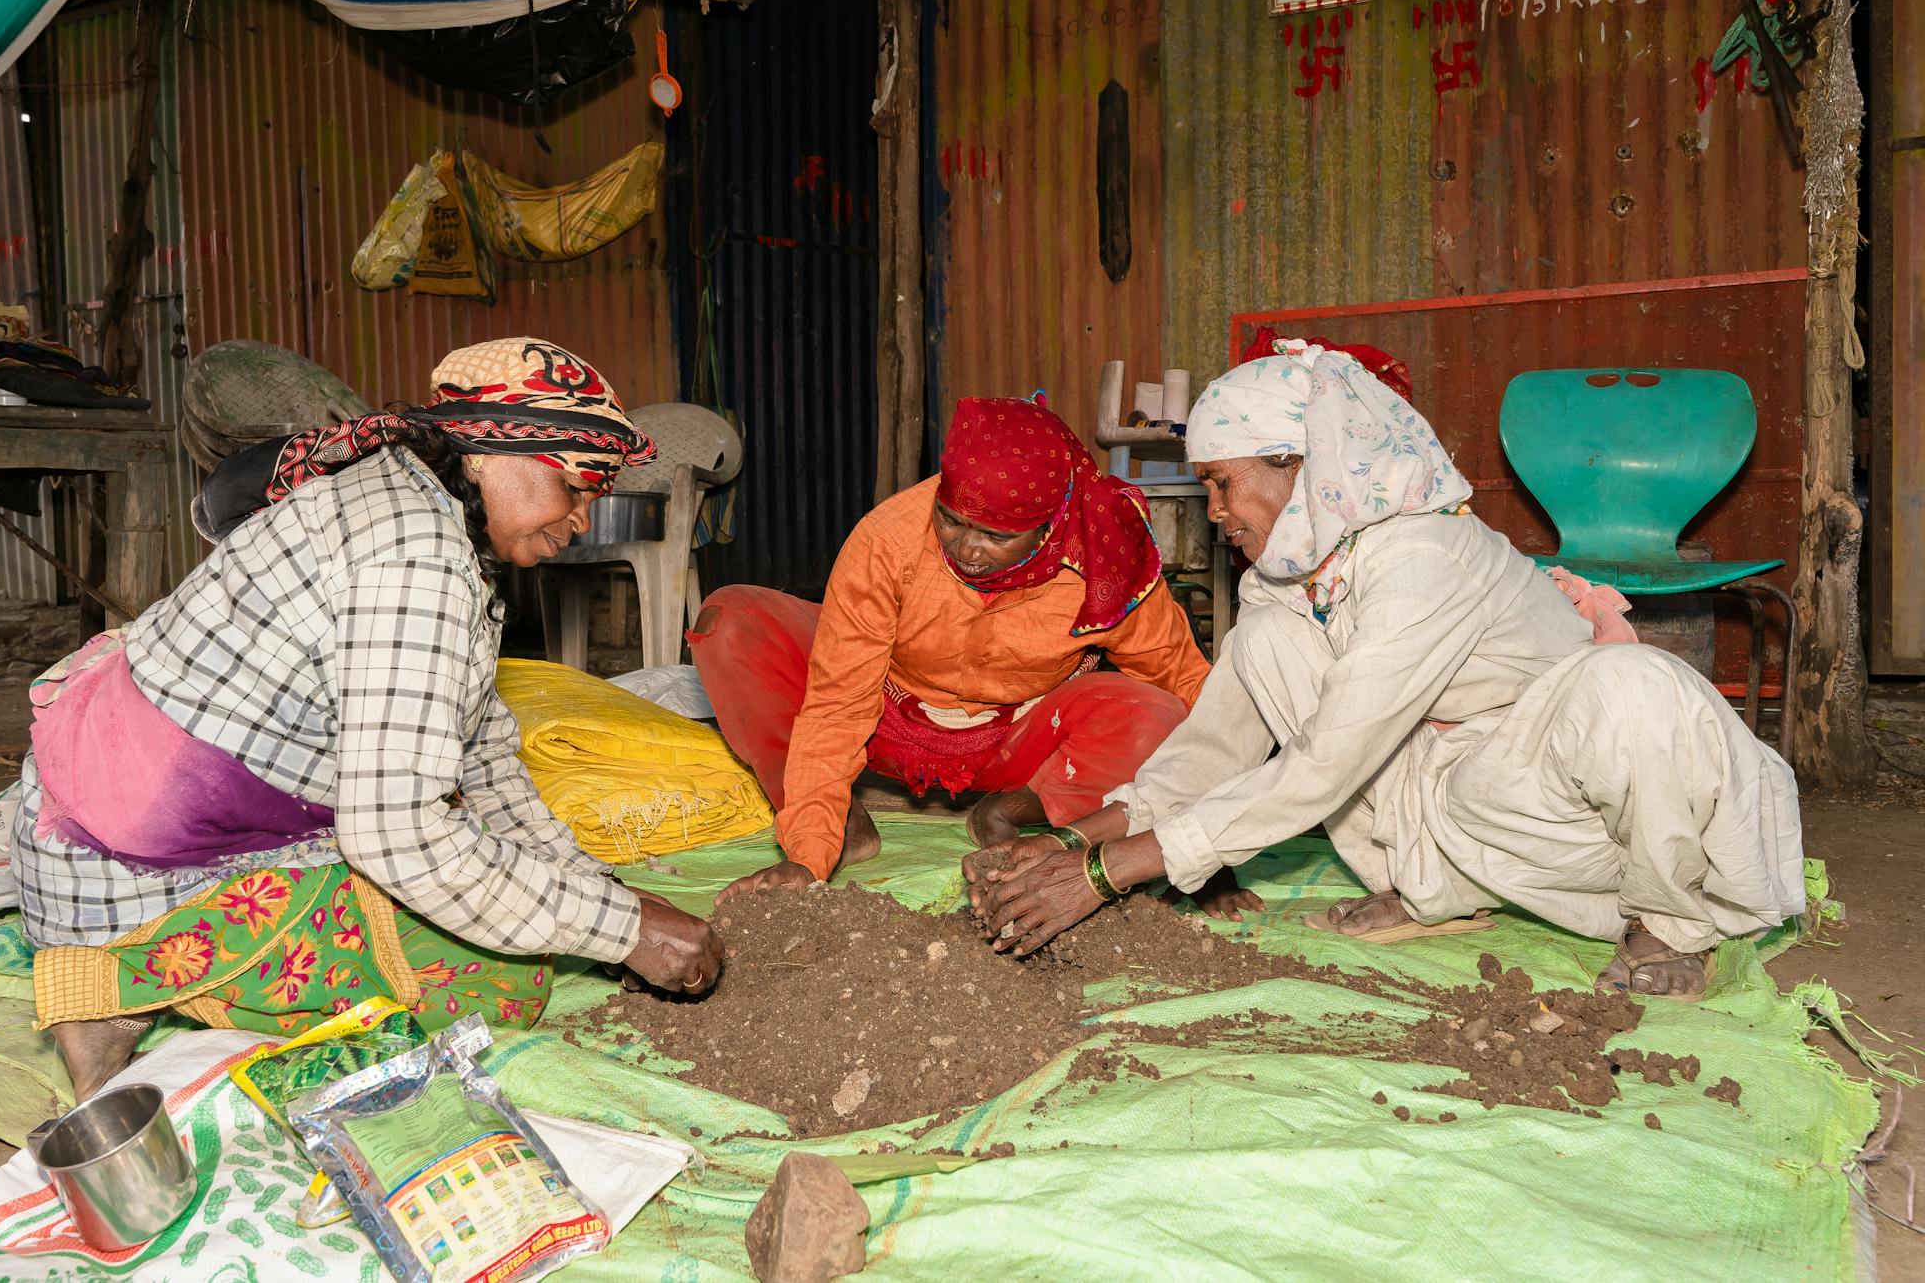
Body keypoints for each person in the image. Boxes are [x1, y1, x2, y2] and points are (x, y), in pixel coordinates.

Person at [971, 340, 1804, 1001]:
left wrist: (1107, 874)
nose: (1216, 512)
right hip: (1462, 797)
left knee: (1636, 689)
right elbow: (1218, 744)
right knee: (1266, 649)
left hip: (1564, 804)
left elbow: (1329, 759)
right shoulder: (1290, 576)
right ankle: (1429, 887)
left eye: (1223, 484)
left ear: (1297, 465)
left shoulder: (1423, 554)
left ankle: (1668, 923)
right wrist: (1080, 838)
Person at [14, 339, 723, 1100]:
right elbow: (397, 835)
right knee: (487, 984)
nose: (583, 519)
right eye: (575, 485)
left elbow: (482, 758)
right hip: (123, 855)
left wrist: (599, 891)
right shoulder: (414, 556)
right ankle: (125, 980)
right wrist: (620, 927)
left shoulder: (414, 502)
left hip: (104, 779)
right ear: (486, 454)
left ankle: (142, 975)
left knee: (515, 907)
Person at [691, 394, 1212, 901]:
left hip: (1018, 740)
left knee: (1154, 717)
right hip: (884, 715)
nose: (966, 548)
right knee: (731, 623)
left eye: (994, 535)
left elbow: (1185, 680)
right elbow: (838, 705)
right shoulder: (888, 539)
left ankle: (1015, 810)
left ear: (1051, 523)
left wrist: (1205, 850)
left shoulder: (1107, 556)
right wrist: (806, 857)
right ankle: (836, 820)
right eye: (951, 519)